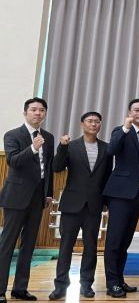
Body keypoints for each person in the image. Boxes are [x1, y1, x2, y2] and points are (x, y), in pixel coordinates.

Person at [49, 112, 112, 300]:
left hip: (94, 205)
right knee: (66, 247)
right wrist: (62, 147)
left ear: (100, 125)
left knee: (91, 247)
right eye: (90, 121)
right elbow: (57, 167)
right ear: (82, 124)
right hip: (71, 204)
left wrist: (105, 202)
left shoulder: (106, 148)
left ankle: (86, 284)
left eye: (97, 121)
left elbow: (107, 177)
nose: (93, 124)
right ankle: (60, 286)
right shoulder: (71, 146)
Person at [0, 98, 54, 303]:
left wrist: (48, 193)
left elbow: (48, 168)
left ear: (45, 114)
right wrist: (32, 148)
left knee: (29, 245)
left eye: (41, 110)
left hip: (38, 198)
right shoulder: (13, 135)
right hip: (16, 197)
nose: (38, 113)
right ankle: (0, 290)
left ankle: (20, 289)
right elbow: (13, 161)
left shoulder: (48, 137)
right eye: (33, 110)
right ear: (25, 113)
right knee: (7, 245)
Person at [103, 99, 139, 298]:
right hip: (120, 194)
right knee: (114, 241)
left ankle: (119, 279)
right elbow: (111, 150)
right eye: (136, 110)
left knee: (125, 240)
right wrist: (125, 127)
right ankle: (111, 283)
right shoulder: (120, 130)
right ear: (130, 112)